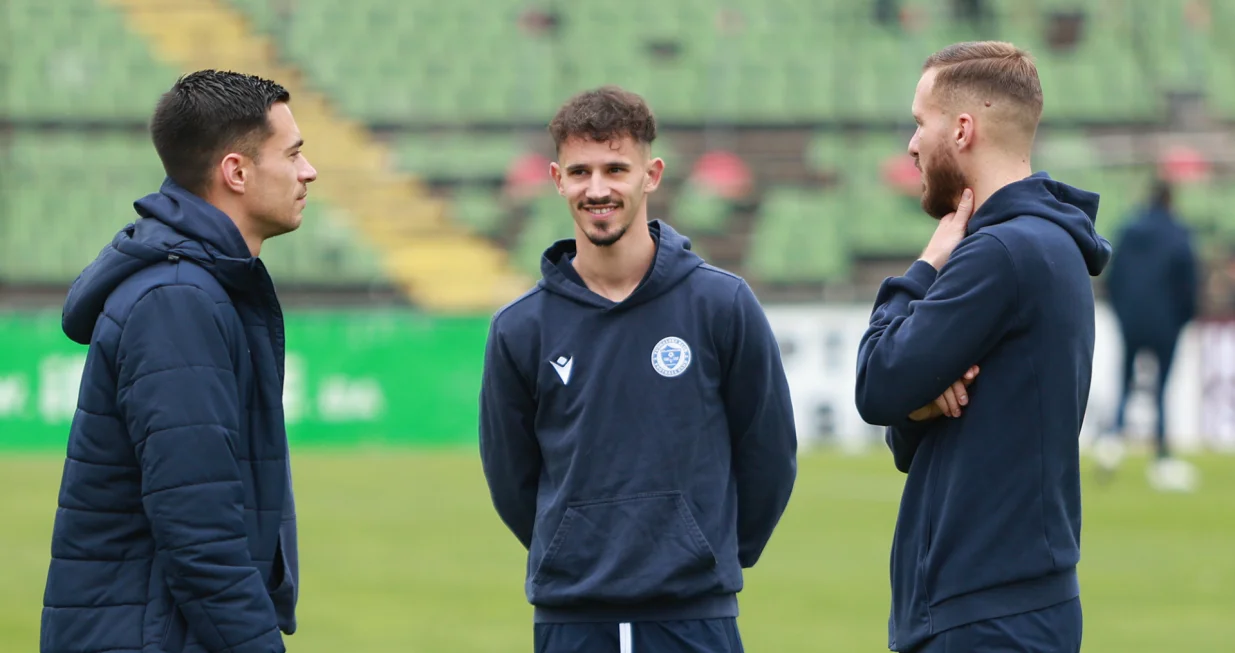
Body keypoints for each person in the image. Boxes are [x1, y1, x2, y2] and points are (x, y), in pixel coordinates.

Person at [478, 85, 797, 653]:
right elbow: (511, 479)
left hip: (695, 616)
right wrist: (572, 547)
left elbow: (768, 453)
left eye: (616, 169)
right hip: (572, 621)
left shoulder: (721, 304)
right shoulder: (519, 328)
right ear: (557, 180)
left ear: (651, 175)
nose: (597, 189)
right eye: (580, 172)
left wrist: (709, 550)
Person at [41, 70, 317, 653]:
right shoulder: (176, 301)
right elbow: (200, 536)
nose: (308, 171)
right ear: (236, 172)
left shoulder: (196, 286)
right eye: (293, 154)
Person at [853, 42, 1112, 653]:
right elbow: (905, 432)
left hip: (986, 612)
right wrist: (920, 403)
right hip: (1014, 603)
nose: (912, 145)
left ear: (963, 129)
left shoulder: (1000, 254)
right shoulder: (1046, 243)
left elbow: (877, 384)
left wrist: (923, 268)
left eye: (920, 123)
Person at [1095, 179, 1200, 491]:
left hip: (1130, 320)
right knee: (1162, 388)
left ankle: (1112, 445)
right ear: (1170, 200)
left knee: (1125, 380)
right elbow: (1188, 282)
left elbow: (1112, 276)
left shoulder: (1128, 230)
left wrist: (1122, 312)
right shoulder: (1179, 233)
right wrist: (1184, 318)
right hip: (1166, 322)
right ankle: (1162, 456)